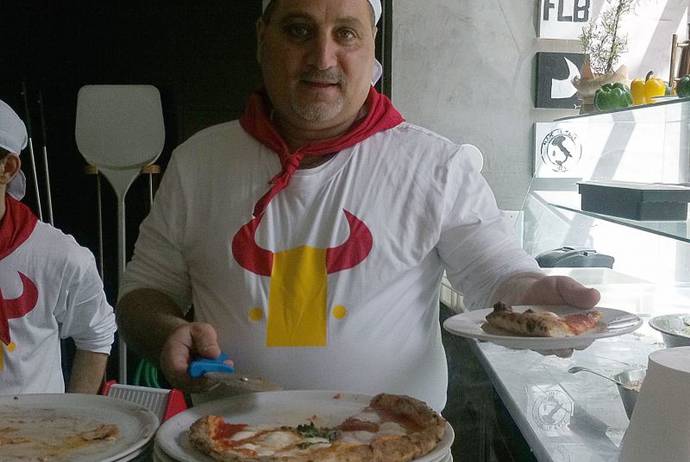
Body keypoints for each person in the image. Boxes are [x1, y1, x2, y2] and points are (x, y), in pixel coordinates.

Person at [117, 0, 599, 411]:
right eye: (298, 30)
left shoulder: (436, 165)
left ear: (371, 44)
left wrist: (536, 294)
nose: (322, 57)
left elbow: (493, 273)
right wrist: (167, 333)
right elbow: (143, 293)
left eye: (345, 33)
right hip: (230, 445)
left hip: (397, 444)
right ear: (262, 37)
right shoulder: (198, 162)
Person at [0, 99, 116, 394]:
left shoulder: (58, 256)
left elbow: (96, 334)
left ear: (8, 168)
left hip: (32, 423)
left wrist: (73, 416)